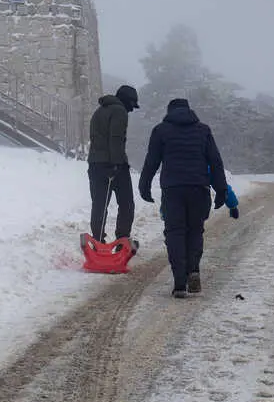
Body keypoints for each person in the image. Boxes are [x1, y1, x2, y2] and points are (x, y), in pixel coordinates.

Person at [138, 97, 228, 298]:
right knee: (195, 231)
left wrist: (144, 185)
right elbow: (215, 161)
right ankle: (193, 270)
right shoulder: (203, 130)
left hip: (173, 190)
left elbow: (151, 161)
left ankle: (179, 282)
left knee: (175, 232)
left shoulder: (161, 130)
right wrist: (221, 189)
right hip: (199, 188)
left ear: (169, 111)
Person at [86, 85, 139, 242]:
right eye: (132, 105)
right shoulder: (119, 111)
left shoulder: (99, 111)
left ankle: (98, 240)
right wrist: (116, 164)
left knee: (99, 204)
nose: (132, 110)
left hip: (95, 164)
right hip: (114, 165)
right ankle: (122, 240)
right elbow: (116, 139)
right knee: (127, 203)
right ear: (126, 101)